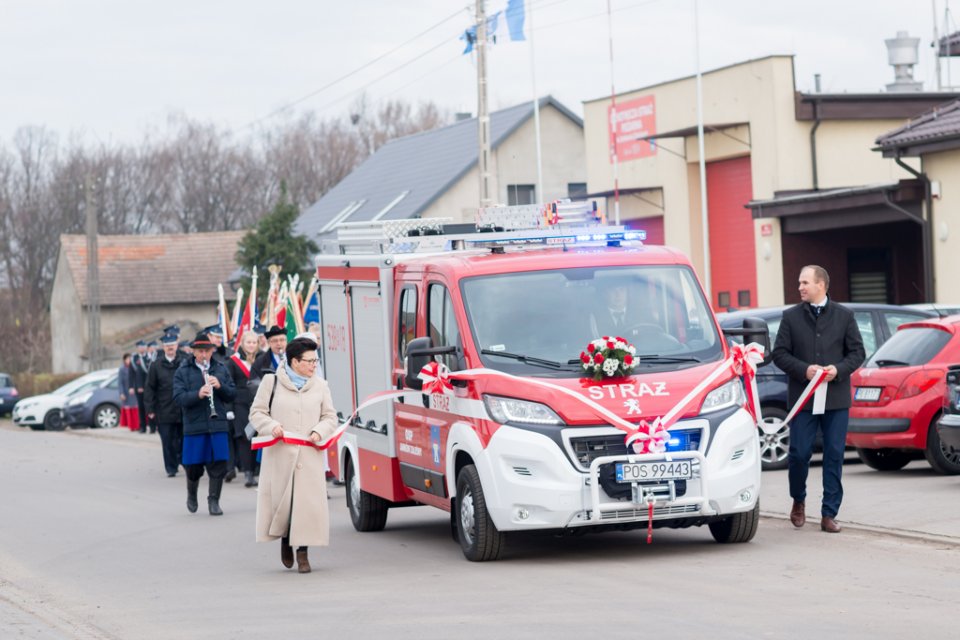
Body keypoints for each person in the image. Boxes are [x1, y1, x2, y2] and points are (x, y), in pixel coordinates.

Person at [772, 265, 865, 534]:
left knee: (834, 455)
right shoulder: (790, 317)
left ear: (821, 285)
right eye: (799, 282)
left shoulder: (844, 316)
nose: (800, 287)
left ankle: (829, 513)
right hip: (804, 399)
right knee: (799, 453)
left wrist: (838, 370)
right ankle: (798, 500)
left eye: (805, 282)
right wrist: (805, 370)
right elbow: (779, 354)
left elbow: (857, 353)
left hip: (836, 399)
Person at [249, 337, 338, 573]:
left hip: (308, 455)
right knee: (284, 505)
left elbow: (330, 417)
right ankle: (286, 540)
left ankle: (303, 553)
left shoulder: (320, 385)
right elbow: (257, 414)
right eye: (309, 361)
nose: (314, 365)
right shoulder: (272, 382)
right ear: (294, 362)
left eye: (315, 360)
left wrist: (319, 432)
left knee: (306, 506)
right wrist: (272, 426)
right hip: (280, 455)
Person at [173, 332, 237, 516]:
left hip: (217, 425)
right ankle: (192, 494)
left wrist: (220, 386)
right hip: (195, 426)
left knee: (219, 464)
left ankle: (214, 501)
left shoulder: (221, 369)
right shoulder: (183, 371)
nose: (203, 355)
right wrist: (197, 394)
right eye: (199, 351)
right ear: (193, 352)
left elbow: (232, 394)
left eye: (207, 351)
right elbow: (178, 398)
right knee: (193, 467)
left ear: (211, 351)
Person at [225, 331, 262, 488]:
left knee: (255, 437)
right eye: (249, 342)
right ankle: (247, 472)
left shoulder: (262, 359)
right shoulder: (233, 361)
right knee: (244, 437)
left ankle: (253, 470)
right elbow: (228, 384)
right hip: (240, 405)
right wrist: (229, 408)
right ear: (242, 344)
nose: (251, 345)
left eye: (254, 342)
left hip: (259, 404)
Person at [145, 334, 184, 477]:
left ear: (177, 345)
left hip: (182, 408)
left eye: (172, 345)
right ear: (163, 347)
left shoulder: (184, 362)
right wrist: (150, 408)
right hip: (164, 409)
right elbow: (150, 388)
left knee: (183, 439)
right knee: (167, 441)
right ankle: (171, 467)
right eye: (167, 345)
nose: (170, 348)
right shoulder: (156, 366)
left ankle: (183, 461)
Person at [131, 340, 151, 433]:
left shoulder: (150, 357)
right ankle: (142, 427)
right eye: (140, 347)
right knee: (141, 408)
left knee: (150, 407)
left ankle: (152, 426)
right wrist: (131, 386)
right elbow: (131, 374)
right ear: (137, 348)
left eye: (143, 346)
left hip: (149, 387)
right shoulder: (134, 358)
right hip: (139, 387)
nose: (142, 348)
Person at [118, 354, 139, 431]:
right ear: (124, 360)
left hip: (135, 391)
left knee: (136, 409)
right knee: (130, 410)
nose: (129, 360)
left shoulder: (135, 366)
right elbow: (120, 382)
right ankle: (132, 426)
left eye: (130, 358)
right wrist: (121, 393)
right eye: (128, 359)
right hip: (127, 392)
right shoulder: (122, 369)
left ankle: (138, 425)